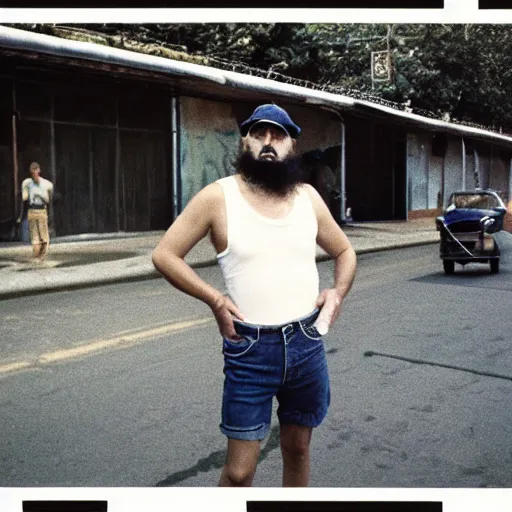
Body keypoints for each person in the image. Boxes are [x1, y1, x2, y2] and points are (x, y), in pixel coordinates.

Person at [152, 103, 357, 487]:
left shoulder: (308, 198)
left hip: (306, 343)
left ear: (291, 146)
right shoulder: (218, 198)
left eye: (277, 135)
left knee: (297, 450)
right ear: (245, 140)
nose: (268, 142)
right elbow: (164, 254)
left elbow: (345, 251)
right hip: (250, 349)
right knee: (239, 472)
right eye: (259, 134)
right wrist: (214, 299)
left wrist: (337, 293)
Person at [18, 162, 54, 262]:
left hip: (42, 210)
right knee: (35, 236)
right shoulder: (27, 183)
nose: (34, 173)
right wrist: (21, 215)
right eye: (32, 171)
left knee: (44, 236)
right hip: (32, 211)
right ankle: (37, 256)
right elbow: (24, 199)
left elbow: (49, 199)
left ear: (39, 171)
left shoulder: (46, 184)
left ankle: (42, 256)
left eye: (36, 170)